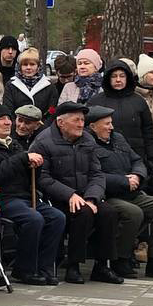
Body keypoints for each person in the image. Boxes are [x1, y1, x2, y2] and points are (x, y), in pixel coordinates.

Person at [0, 103, 64, 285]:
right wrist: (23, 158)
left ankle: (44, 268)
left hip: (25, 196)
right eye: (2, 119)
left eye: (8, 118)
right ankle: (24, 269)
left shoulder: (12, 144)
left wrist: (35, 166)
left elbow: (28, 173)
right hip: (2, 198)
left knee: (57, 217)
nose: (8, 123)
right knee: (33, 219)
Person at [30, 101, 121, 285]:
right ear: (61, 122)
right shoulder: (43, 141)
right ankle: (73, 265)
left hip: (86, 195)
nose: (81, 124)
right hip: (56, 198)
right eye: (76, 120)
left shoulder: (87, 140)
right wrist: (70, 194)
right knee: (83, 213)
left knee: (108, 212)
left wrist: (92, 198)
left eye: (82, 120)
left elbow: (97, 173)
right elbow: (43, 178)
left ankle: (102, 266)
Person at [87, 105, 153, 280]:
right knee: (133, 212)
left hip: (132, 192)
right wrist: (123, 181)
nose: (111, 127)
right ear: (93, 126)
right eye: (106, 124)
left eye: (111, 123)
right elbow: (92, 175)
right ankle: (120, 259)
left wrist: (137, 175)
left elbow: (137, 160)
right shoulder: (87, 143)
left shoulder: (118, 138)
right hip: (107, 196)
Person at [88, 59, 153, 166]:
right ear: (108, 78)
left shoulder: (138, 101)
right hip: (105, 159)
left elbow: (148, 132)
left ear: (128, 78)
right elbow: (87, 130)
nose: (118, 80)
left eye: (122, 76)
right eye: (114, 76)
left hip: (137, 158)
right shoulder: (96, 101)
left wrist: (152, 158)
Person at [2, 47, 58, 120]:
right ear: (20, 66)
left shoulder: (50, 86)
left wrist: (43, 124)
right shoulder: (11, 85)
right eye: (25, 64)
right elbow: (8, 110)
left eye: (32, 64)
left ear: (38, 66)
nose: (28, 67)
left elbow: (52, 110)